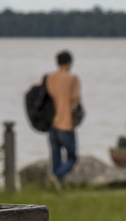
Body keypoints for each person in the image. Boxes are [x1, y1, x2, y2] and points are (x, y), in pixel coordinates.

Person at [45, 50, 82, 184]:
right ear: (69, 62)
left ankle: (55, 183)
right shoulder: (72, 79)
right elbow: (76, 99)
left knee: (56, 156)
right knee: (72, 158)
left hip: (51, 123)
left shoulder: (49, 78)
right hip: (66, 123)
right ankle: (57, 177)